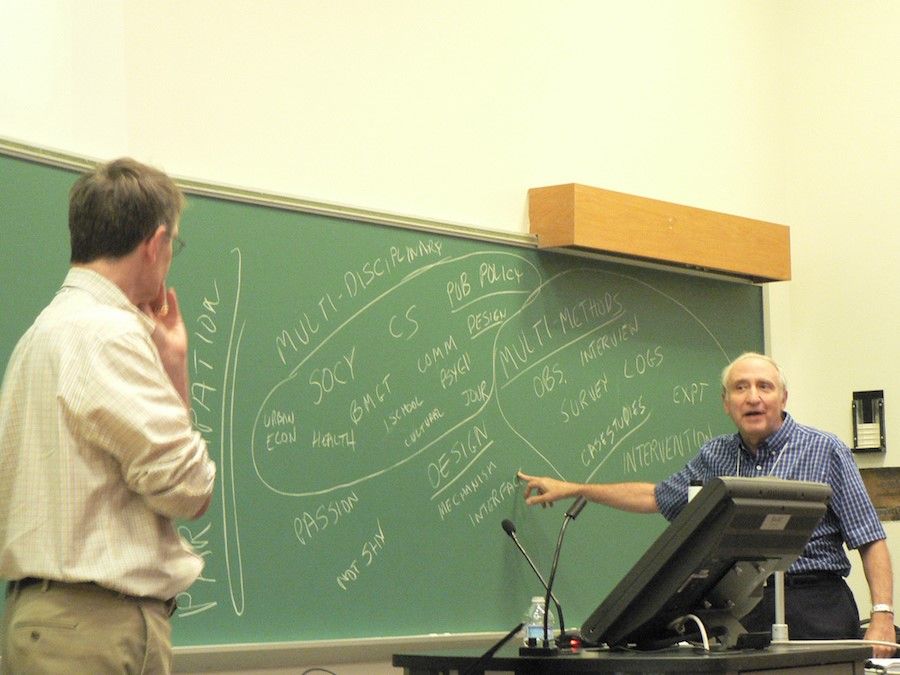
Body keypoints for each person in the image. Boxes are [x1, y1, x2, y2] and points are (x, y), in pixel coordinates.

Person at [519, 352, 895, 657]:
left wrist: (882, 615)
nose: (753, 397)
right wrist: (575, 488)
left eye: (764, 386)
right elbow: (655, 496)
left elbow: (869, 537)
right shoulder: (715, 455)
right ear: (726, 403)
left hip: (815, 604)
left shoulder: (825, 449)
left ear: (783, 398)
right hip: (741, 609)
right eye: (740, 388)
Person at [0, 158, 216, 673]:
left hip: (48, 623)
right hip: (94, 632)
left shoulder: (41, 335)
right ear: (155, 242)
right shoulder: (110, 335)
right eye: (173, 247)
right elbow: (188, 488)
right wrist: (176, 370)